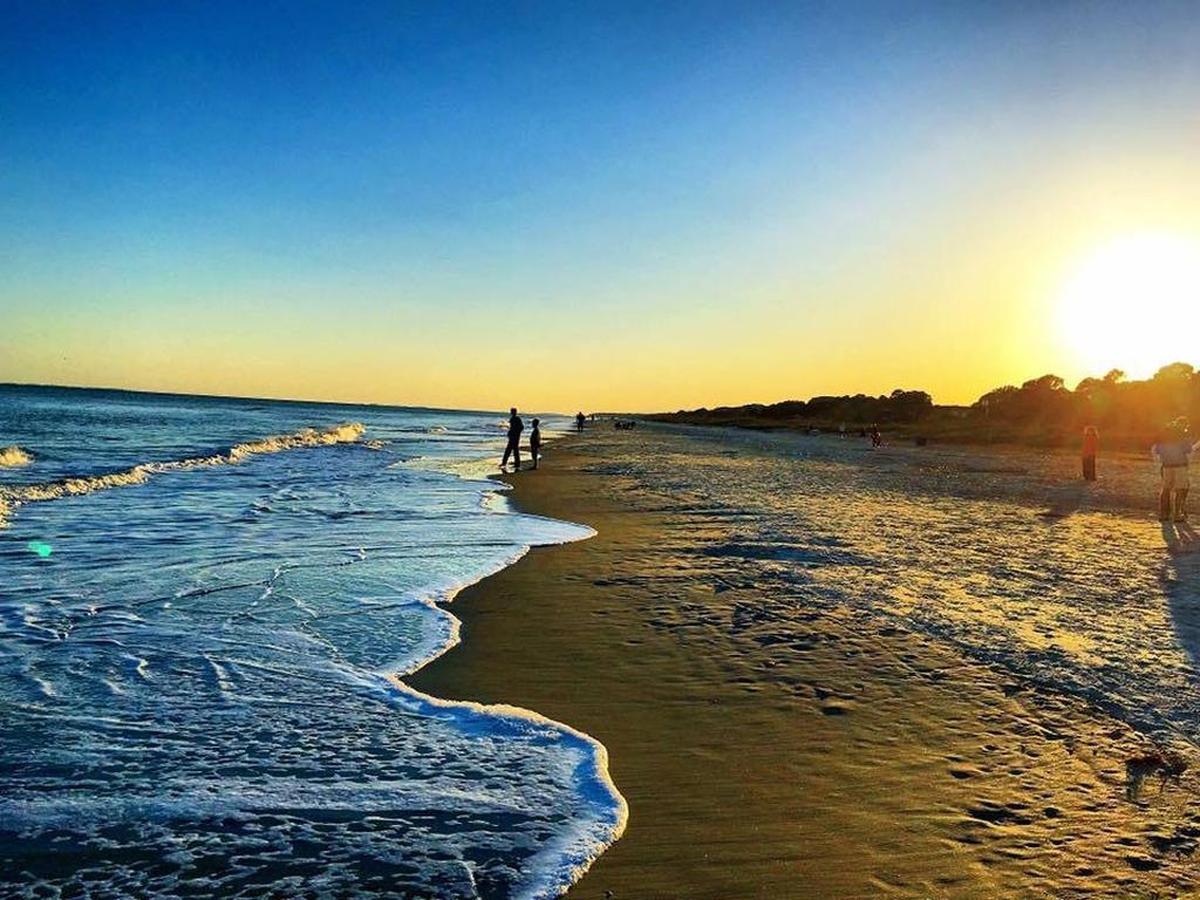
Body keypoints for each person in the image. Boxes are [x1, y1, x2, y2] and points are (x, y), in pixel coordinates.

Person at [1152, 419, 1199, 522]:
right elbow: (1188, 450)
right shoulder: (1182, 435)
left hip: (1166, 465)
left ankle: (1163, 514)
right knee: (1180, 489)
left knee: (1165, 489)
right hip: (1180, 466)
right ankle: (1177, 514)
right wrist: (1195, 444)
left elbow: (1157, 451)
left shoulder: (1163, 435)